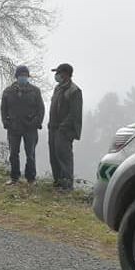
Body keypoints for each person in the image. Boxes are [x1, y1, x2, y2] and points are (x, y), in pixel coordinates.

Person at [0, 64, 44, 185]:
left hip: (30, 128)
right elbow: (3, 109)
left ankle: (31, 178)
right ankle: (14, 177)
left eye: (25, 75)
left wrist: (35, 123)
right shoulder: (8, 91)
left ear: (28, 76)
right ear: (16, 76)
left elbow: (41, 109)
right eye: (21, 75)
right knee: (13, 153)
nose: (23, 77)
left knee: (30, 154)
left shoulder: (35, 91)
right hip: (13, 128)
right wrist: (6, 123)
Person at [48, 62, 83, 190]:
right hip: (53, 128)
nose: (56, 75)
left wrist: (62, 128)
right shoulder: (58, 88)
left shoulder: (74, 91)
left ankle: (67, 185)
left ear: (65, 74)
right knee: (54, 156)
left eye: (58, 73)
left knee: (64, 157)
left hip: (64, 131)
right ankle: (57, 183)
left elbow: (75, 114)